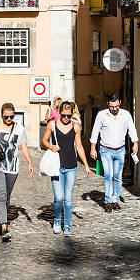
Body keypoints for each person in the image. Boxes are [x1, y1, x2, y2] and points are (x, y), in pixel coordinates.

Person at [0, 103, 35, 242]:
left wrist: (29, 162)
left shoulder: (20, 129)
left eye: (12, 116)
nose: (9, 119)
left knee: (7, 197)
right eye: (6, 117)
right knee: (2, 196)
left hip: (12, 167)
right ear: (1, 115)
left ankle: (2, 217)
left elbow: (23, 146)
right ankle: (4, 227)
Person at [41, 101, 91, 237]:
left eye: (69, 116)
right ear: (59, 113)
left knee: (68, 198)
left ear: (72, 114)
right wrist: (51, 146)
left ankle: (67, 225)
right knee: (59, 197)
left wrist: (86, 165)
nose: (66, 118)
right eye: (63, 115)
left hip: (71, 166)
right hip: (56, 166)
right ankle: (57, 220)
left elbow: (79, 146)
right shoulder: (52, 124)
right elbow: (44, 140)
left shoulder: (76, 126)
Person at [89, 93, 139, 212]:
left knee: (117, 176)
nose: (114, 109)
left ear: (120, 103)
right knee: (108, 175)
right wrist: (92, 147)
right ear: (108, 104)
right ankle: (108, 201)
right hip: (106, 150)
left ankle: (115, 200)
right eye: (112, 106)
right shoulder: (102, 115)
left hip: (120, 150)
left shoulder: (126, 115)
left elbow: (131, 129)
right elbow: (95, 131)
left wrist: (135, 143)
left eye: (116, 106)